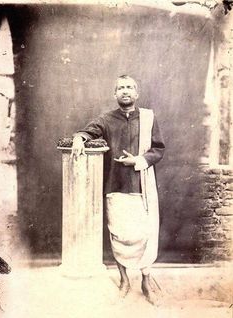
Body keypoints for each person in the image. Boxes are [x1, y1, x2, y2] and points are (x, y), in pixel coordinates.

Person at [71, 75, 165, 304]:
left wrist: (140, 160)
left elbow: (158, 149)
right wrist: (79, 138)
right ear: (115, 94)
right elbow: (89, 131)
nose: (125, 91)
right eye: (121, 88)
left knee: (145, 233)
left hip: (141, 184)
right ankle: (124, 279)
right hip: (115, 184)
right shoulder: (106, 119)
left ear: (136, 93)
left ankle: (145, 279)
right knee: (119, 233)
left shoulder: (148, 118)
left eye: (130, 87)